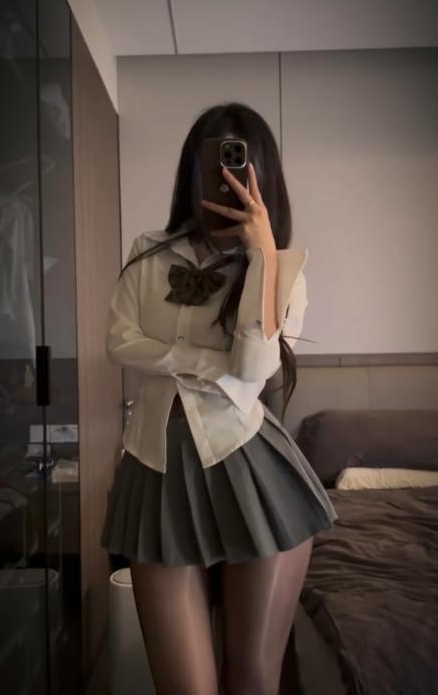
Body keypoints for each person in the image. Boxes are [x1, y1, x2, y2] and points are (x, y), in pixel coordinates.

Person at [100, 102, 338, 695]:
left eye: (241, 167)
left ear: (263, 177)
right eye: (215, 165)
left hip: (253, 473)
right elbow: (120, 344)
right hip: (155, 470)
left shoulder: (284, 271)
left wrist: (261, 257)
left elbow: (254, 369)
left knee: (252, 678)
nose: (227, 180)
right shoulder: (149, 252)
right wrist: (207, 363)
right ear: (194, 171)